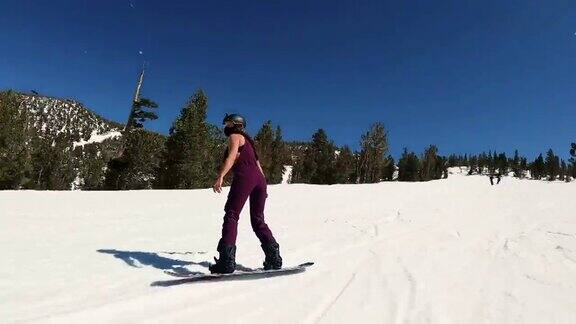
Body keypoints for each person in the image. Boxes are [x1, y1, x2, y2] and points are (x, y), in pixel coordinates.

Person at [209, 113, 282, 274]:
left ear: (235, 125)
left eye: (227, 124)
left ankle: (226, 262)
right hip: (260, 181)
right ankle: (274, 257)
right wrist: (264, 188)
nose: (225, 127)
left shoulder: (235, 136)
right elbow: (258, 166)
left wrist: (221, 176)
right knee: (258, 220)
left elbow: (232, 156)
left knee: (231, 215)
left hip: (245, 177)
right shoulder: (249, 142)